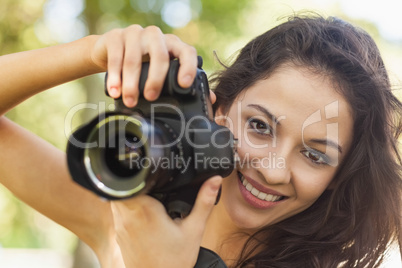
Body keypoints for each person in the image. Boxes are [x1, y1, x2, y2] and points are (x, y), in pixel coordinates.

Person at [0, 13, 401, 267]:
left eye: (314, 155)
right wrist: (93, 53)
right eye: (259, 127)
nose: (272, 167)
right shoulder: (130, 219)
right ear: (218, 109)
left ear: (339, 175)